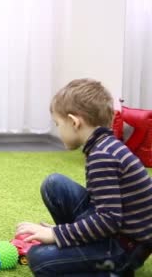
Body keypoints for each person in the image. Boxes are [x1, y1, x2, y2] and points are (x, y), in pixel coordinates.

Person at [16, 78, 152, 276]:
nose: (58, 130)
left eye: (58, 124)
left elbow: (108, 220)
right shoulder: (105, 145)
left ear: (74, 122)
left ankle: (112, 270)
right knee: (54, 184)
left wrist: (56, 234)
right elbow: (103, 207)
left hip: (124, 248)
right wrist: (67, 232)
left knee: (39, 258)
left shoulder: (102, 156)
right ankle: (81, 246)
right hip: (116, 231)